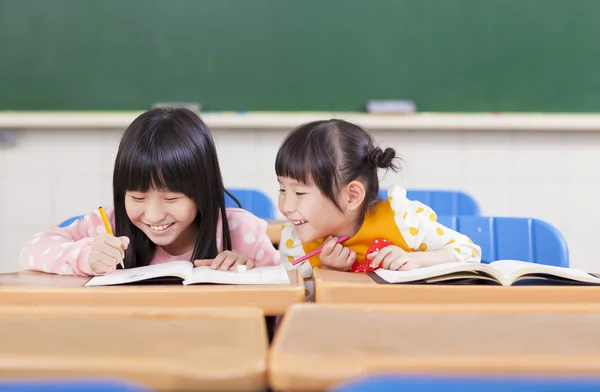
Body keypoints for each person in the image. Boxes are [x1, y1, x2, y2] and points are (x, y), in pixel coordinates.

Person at [20, 107, 279, 276]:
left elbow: (284, 297)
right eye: (137, 197)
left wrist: (252, 276)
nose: (154, 215)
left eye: (171, 198)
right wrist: (85, 257)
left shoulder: (242, 232)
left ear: (202, 190)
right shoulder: (108, 225)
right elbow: (32, 249)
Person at [276, 119, 481, 298]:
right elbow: (297, 312)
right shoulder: (295, 242)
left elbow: (468, 253)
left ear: (352, 196)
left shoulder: (403, 221)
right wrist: (329, 272)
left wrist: (415, 259)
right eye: (282, 189)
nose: (286, 206)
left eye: (300, 193)